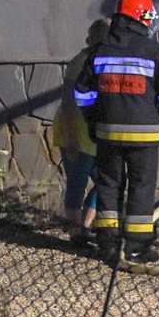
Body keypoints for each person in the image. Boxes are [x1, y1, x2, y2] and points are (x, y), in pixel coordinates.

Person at [74, 0, 159, 263]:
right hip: (145, 137)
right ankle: (136, 248)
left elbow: (83, 93)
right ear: (143, 18)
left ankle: (108, 246)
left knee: (108, 187)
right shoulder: (155, 52)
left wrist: (94, 120)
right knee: (141, 189)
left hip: (107, 135)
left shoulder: (99, 51)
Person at [54, 18, 110, 248]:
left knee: (105, 182)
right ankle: (76, 233)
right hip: (76, 132)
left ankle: (84, 228)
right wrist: (71, 137)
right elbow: (67, 103)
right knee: (77, 183)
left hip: (94, 135)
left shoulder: (102, 61)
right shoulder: (80, 62)